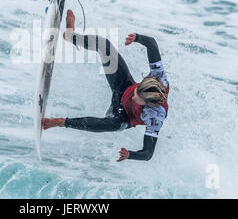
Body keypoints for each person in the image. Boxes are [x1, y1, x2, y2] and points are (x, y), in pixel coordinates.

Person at [42, 10, 169, 162]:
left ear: (149, 103)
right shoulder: (159, 76)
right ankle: (71, 36)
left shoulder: (155, 117)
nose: (134, 96)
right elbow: (152, 44)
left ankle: (60, 122)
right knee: (104, 46)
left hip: (123, 115)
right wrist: (137, 38)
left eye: (138, 98)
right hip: (123, 85)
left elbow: (148, 154)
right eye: (137, 91)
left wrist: (130, 155)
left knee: (109, 124)